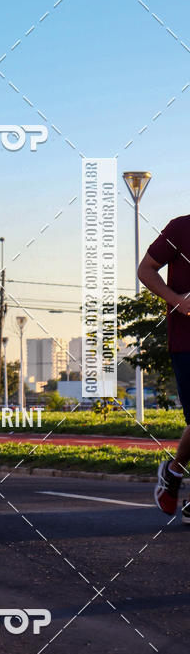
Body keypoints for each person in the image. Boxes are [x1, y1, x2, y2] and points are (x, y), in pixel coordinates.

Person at [138, 215, 190, 519]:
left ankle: (173, 472)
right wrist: (176, 301)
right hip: (187, 342)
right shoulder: (180, 228)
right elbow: (146, 270)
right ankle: (173, 471)